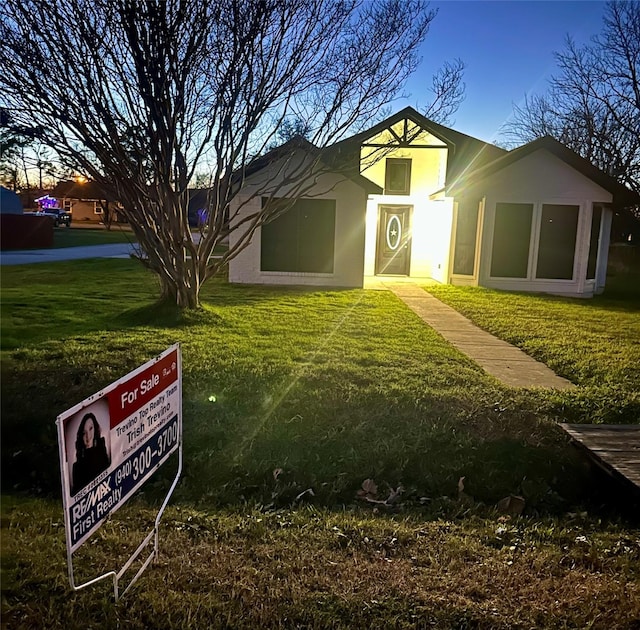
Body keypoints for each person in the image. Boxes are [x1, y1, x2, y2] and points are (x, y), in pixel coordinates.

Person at [71, 412, 110, 496]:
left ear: (95, 429)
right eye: (84, 433)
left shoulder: (102, 455)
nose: (88, 436)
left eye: (91, 428)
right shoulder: (77, 467)